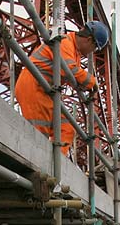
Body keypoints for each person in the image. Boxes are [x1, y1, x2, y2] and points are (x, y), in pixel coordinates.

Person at [15, 21, 109, 156]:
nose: (91, 53)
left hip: (45, 90)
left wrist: (83, 84)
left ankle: (59, 161)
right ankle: (35, 162)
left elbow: (71, 77)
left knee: (67, 127)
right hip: (34, 86)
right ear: (89, 40)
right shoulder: (65, 42)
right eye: (94, 49)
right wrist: (91, 82)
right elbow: (70, 70)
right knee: (39, 130)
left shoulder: (73, 50)